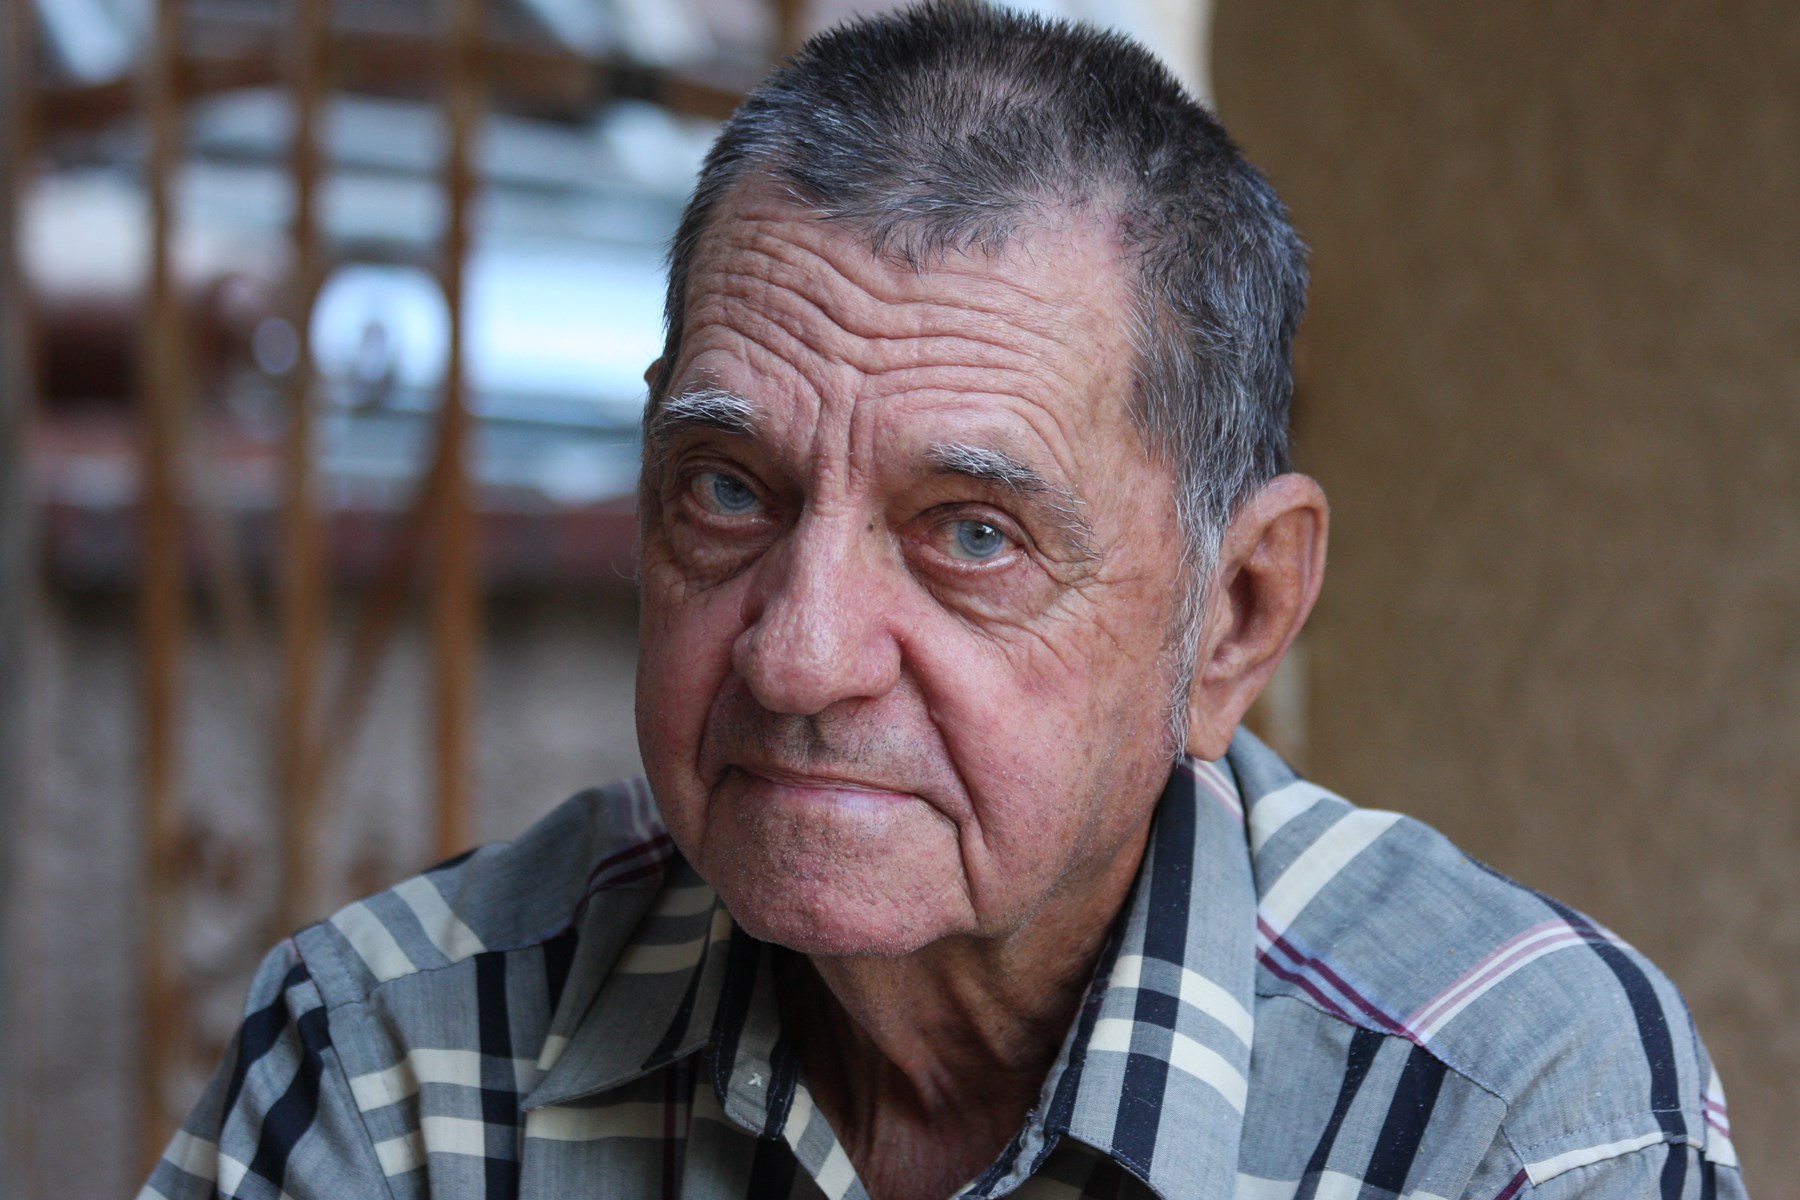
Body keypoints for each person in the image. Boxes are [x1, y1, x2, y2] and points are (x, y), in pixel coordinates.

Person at [142, 5, 1745, 1199]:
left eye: (971, 534)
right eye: (727, 491)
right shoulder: (396, 1056)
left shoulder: (1504, 1116)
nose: (797, 654)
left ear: (1237, 617)